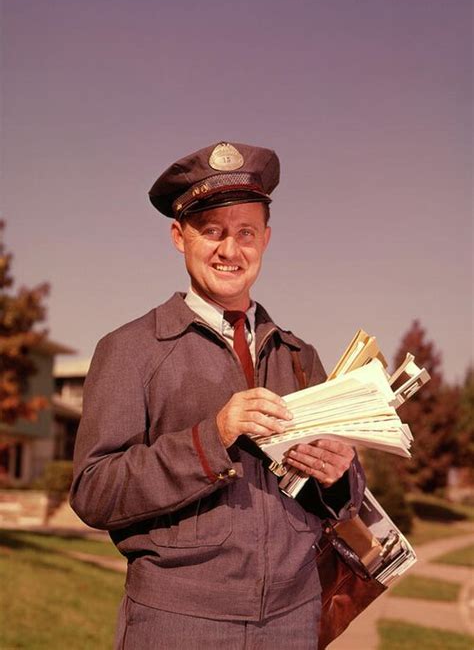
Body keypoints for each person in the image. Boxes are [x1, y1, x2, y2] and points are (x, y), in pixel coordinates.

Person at [70, 141, 365, 649]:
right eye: (212, 232)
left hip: (294, 622)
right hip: (179, 622)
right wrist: (215, 435)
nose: (231, 250)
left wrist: (339, 476)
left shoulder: (301, 356)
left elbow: (342, 500)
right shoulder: (130, 350)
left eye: (245, 232)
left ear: (266, 239)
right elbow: (94, 492)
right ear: (179, 237)